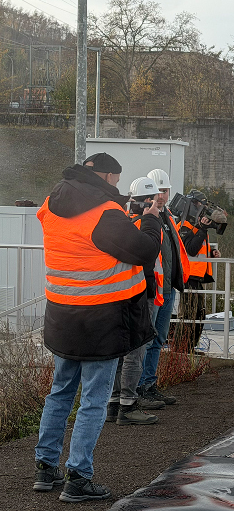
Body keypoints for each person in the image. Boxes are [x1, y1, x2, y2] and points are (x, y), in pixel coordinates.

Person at [33, 153, 161, 502]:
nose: (117, 187)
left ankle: (46, 468)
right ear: (106, 177)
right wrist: (150, 221)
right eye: (116, 180)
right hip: (101, 321)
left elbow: (84, 244)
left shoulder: (51, 203)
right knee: (93, 399)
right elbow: (144, 251)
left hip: (62, 315)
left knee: (60, 392)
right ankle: (78, 477)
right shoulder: (105, 213)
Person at [106, 177, 166, 426]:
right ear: (147, 202)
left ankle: (114, 403)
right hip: (141, 293)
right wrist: (153, 220)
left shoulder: (123, 222)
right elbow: (149, 256)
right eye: (153, 200)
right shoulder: (145, 224)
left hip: (123, 292)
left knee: (121, 351)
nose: (158, 203)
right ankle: (128, 405)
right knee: (135, 351)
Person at [138, 169, 190, 407]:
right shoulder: (144, 217)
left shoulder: (168, 217)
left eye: (165, 191)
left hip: (167, 289)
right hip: (153, 291)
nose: (161, 196)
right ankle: (139, 389)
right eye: (158, 191)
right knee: (146, 341)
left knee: (158, 340)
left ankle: (149, 385)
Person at [177, 188, 222, 351]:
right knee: (189, 314)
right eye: (200, 204)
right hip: (188, 276)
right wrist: (202, 229)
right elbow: (190, 249)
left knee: (199, 314)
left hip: (197, 276)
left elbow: (199, 248)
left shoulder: (196, 226)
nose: (203, 208)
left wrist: (212, 252)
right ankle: (182, 349)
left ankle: (190, 347)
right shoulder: (184, 225)